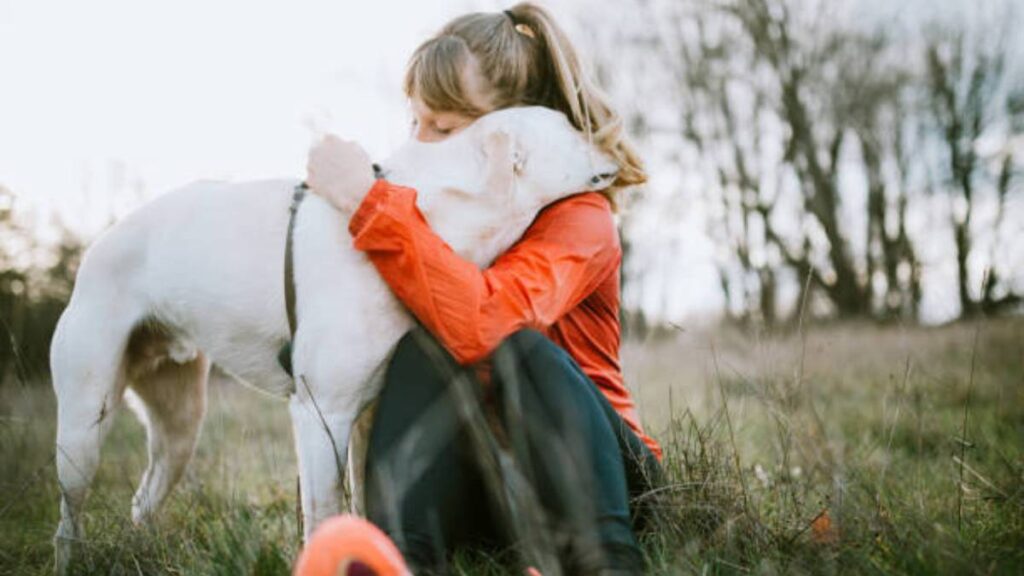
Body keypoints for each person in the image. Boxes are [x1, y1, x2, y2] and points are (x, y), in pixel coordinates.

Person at [305, 3, 662, 575]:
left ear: (518, 129)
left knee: (516, 347)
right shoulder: (435, 217)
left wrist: (369, 205)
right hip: (492, 487)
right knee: (420, 346)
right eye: (415, 123)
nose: (420, 145)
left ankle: (607, 563)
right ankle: (399, 563)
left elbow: (484, 325)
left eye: (443, 128)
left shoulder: (582, 220)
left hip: (605, 482)